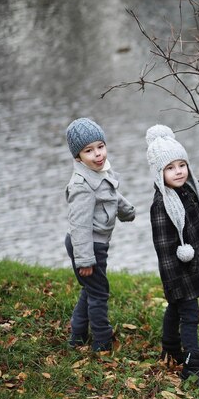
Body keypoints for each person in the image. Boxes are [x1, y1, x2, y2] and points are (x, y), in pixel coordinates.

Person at [145, 124, 199, 389]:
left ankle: (170, 346)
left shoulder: (187, 188)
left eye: (181, 165)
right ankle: (193, 367)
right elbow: (163, 248)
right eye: (170, 168)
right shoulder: (162, 205)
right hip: (180, 273)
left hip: (192, 268)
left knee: (176, 307)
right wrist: (176, 284)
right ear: (159, 173)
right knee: (189, 314)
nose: (178, 171)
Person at [64, 118, 136, 352]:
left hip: (96, 244)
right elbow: (79, 225)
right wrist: (85, 259)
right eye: (89, 150)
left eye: (100, 146)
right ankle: (102, 342)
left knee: (91, 289)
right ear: (77, 157)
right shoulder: (82, 186)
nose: (98, 154)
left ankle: (76, 335)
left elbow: (110, 193)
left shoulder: (101, 171)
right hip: (87, 245)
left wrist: (127, 211)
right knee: (99, 293)